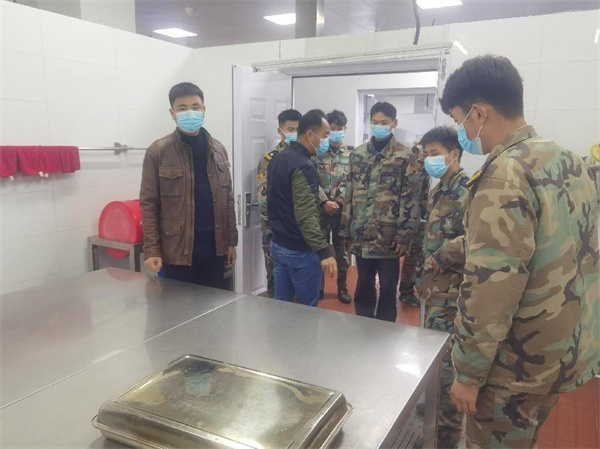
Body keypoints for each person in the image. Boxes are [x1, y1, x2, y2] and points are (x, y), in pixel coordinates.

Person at [440, 55, 599, 448]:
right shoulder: (568, 160)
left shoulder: (503, 175)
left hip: (514, 366)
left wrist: (469, 373)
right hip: (562, 350)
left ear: (479, 113)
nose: (462, 132)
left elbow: (492, 288)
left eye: (460, 121)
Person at [140, 82, 237, 288]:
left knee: (214, 303)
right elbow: (148, 203)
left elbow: (227, 199)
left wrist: (230, 242)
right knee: (177, 305)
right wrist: (152, 249)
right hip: (176, 249)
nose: (190, 113)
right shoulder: (158, 151)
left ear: (204, 110)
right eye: (182, 108)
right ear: (172, 113)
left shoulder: (218, 149)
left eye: (195, 107)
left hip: (214, 246)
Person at [340, 102, 420, 322]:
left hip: (389, 238)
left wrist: (404, 235)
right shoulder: (358, 154)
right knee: (364, 282)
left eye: (384, 123)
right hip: (361, 234)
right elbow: (349, 194)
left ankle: (385, 328)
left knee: (387, 286)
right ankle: (363, 323)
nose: (379, 126)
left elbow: (410, 197)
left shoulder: (405, 156)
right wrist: (345, 230)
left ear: (394, 123)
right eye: (375, 122)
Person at [416, 126, 469, 449]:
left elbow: (480, 239)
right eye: (426, 154)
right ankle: (433, 412)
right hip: (434, 293)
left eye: (434, 154)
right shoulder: (440, 190)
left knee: (449, 367)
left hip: (453, 297)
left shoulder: (467, 191)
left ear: (453, 154)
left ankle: (446, 437)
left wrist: (446, 253)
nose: (428, 160)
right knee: (434, 358)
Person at [267, 109, 338, 306]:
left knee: (281, 305)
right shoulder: (303, 165)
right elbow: (306, 215)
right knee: (307, 311)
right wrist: (324, 252)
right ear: (310, 135)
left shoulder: (278, 158)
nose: (326, 140)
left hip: (279, 245)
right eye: (325, 135)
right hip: (300, 250)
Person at [257, 109, 302, 298]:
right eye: (290, 129)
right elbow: (263, 197)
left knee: (299, 274)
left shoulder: (306, 156)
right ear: (280, 131)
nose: (294, 133)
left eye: (298, 129)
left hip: (299, 226)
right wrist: (276, 223)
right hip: (274, 226)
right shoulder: (270, 159)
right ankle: (274, 310)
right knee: (274, 272)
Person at [313, 109, 352, 304]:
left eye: (339, 128)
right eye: (332, 129)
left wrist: (338, 201)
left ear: (345, 129)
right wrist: (324, 201)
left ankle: (342, 288)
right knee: (319, 249)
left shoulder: (352, 154)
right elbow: (311, 179)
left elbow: (353, 181)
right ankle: (318, 287)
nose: (335, 132)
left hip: (342, 212)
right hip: (320, 210)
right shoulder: (317, 153)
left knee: (342, 251)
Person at [398, 142, 430, 308]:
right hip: (412, 219)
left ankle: (414, 289)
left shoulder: (429, 170)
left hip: (426, 220)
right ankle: (406, 291)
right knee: (411, 257)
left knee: (418, 257)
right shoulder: (412, 170)